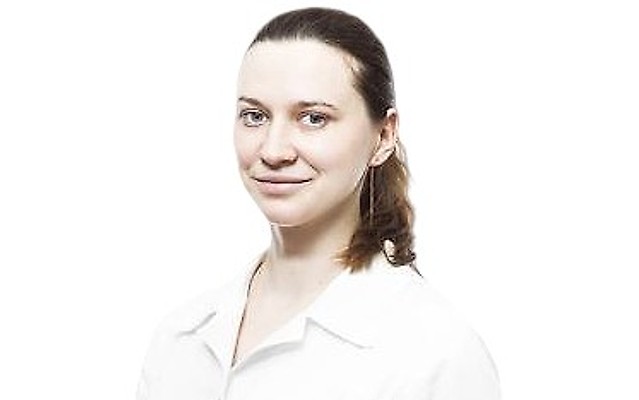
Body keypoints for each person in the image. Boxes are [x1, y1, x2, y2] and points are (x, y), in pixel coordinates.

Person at [137, 7, 500, 400]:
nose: (273, 150)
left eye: (313, 118)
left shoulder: (435, 355)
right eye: (255, 116)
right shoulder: (180, 338)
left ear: (384, 136)